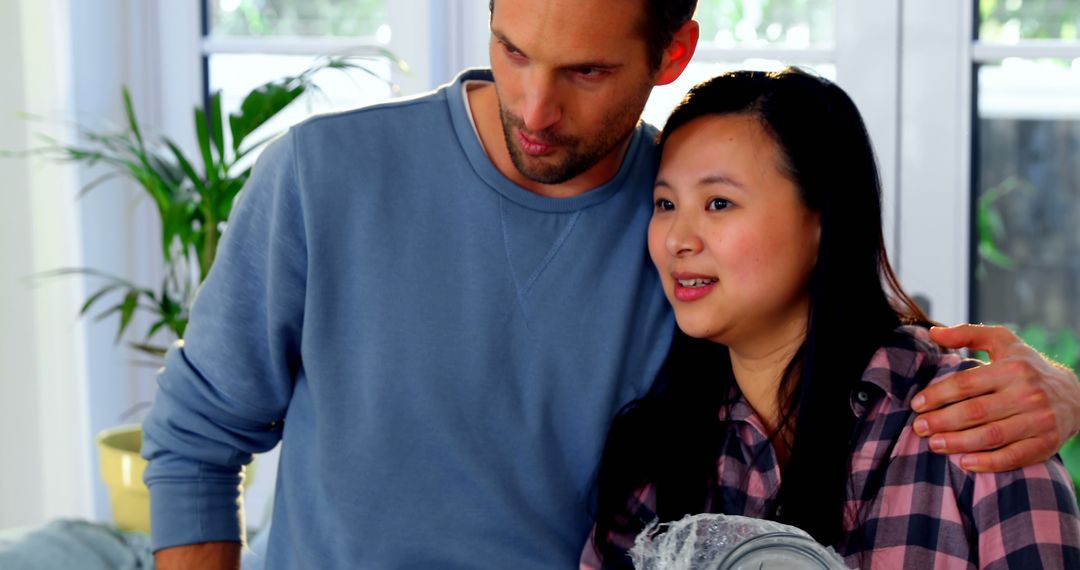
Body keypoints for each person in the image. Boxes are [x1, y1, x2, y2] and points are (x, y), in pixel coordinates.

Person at [142, 1, 1080, 567]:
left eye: (585, 70)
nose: (535, 110)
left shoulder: (691, 253)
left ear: (671, 54)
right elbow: (192, 440)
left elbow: (837, 330)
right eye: (512, 49)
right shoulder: (321, 177)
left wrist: (1064, 393)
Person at [584, 68, 1080, 569]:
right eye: (665, 203)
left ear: (823, 220)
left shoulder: (980, 420)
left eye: (718, 203)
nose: (676, 239)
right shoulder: (654, 454)